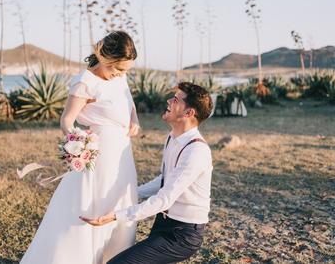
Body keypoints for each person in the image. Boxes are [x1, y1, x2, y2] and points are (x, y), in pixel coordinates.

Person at [21, 31, 140, 264]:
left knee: (119, 205)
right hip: (97, 157)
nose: (122, 74)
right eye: (118, 68)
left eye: (126, 70)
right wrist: (79, 145)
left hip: (122, 156)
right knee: (92, 208)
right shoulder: (85, 83)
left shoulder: (119, 78)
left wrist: (134, 119)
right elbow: (66, 120)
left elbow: (129, 101)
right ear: (105, 57)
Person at [81, 82, 214, 264]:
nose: (168, 101)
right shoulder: (173, 137)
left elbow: (164, 199)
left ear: (188, 113)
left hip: (183, 235)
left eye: (175, 100)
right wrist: (132, 194)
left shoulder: (196, 151)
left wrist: (115, 216)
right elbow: (165, 180)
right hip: (164, 223)